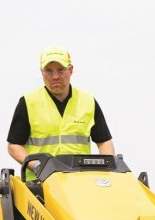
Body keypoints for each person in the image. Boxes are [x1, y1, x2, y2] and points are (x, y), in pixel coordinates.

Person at [7, 46, 114, 180]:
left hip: (80, 181)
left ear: (71, 70)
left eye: (61, 70)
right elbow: (14, 146)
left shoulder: (88, 101)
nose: (55, 76)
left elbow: (104, 142)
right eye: (49, 71)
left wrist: (107, 168)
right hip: (40, 184)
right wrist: (37, 166)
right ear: (41, 72)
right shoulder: (28, 102)